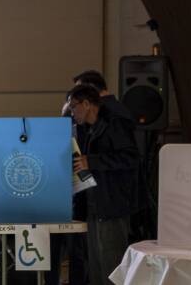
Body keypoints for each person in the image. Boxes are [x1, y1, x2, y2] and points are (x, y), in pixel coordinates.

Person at [67, 84, 139, 285]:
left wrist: (92, 161)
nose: (72, 113)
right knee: (96, 266)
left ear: (87, 104)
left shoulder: (114, 125)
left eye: (74, 107)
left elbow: (130, 158)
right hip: (93, 206)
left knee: (111, 265)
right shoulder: (87, 130)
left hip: (112, 206)